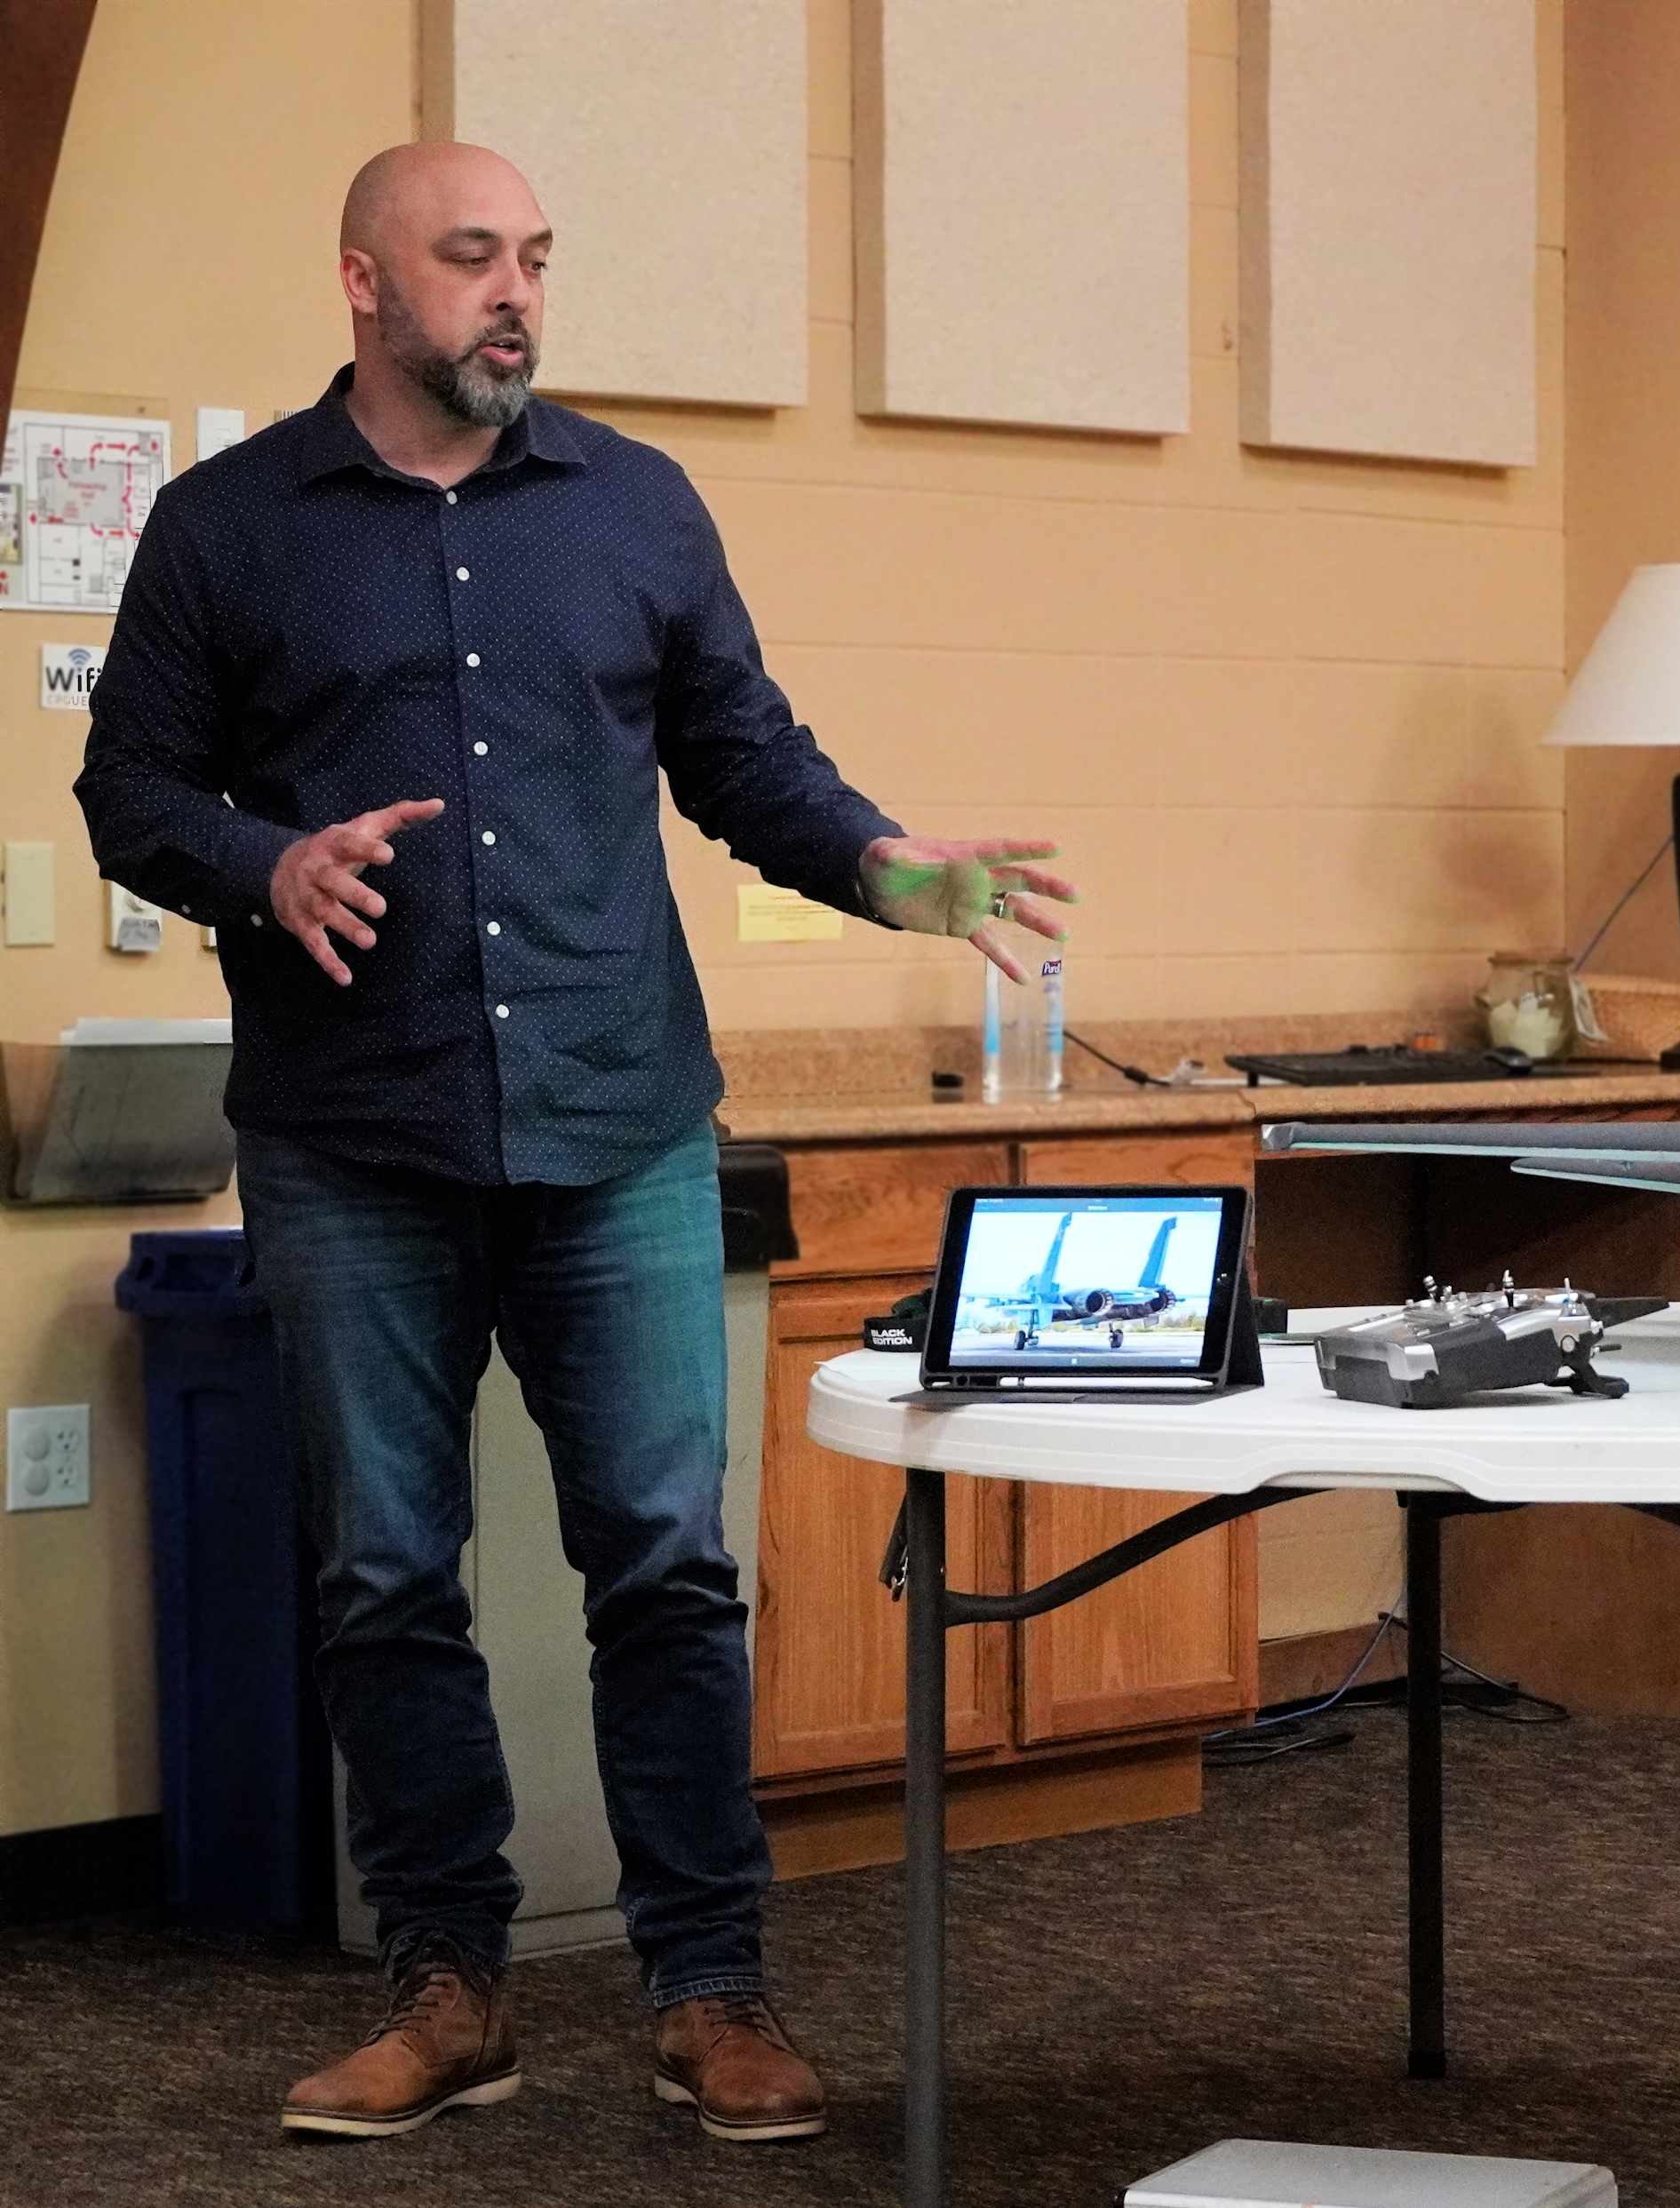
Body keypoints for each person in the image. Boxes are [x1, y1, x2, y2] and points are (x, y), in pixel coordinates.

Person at [76, 140, 1074, 2146]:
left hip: (619, 1122)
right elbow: (132, 790)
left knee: (665, 1569)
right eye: (472, 257)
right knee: (386, 1575)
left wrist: (883, 866)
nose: (515, 291)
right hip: (353, 1136)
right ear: (365, 282)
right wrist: (267, 866)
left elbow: (745, 759)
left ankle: (711, 1988)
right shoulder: (226, 527)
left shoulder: (636, 504)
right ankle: (447, 1989)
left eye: (534, 256)